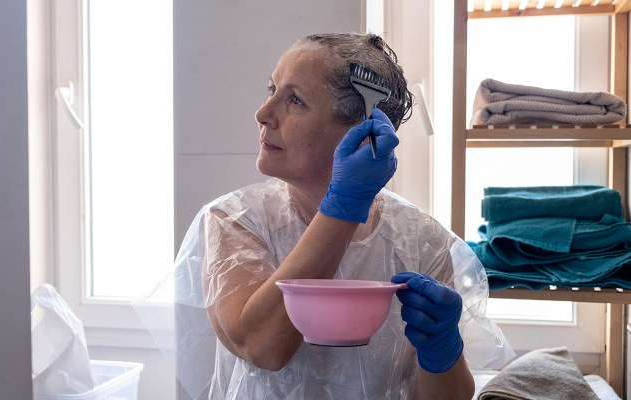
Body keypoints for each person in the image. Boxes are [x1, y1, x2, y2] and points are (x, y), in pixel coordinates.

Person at [138, 32, 513, 400]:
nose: (263, 114)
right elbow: (262, 347)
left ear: (360, 130)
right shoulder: (235, 220)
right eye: (272, 90)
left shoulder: (421, 241)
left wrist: (441, 353)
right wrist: (346, 202)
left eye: (295, 100)